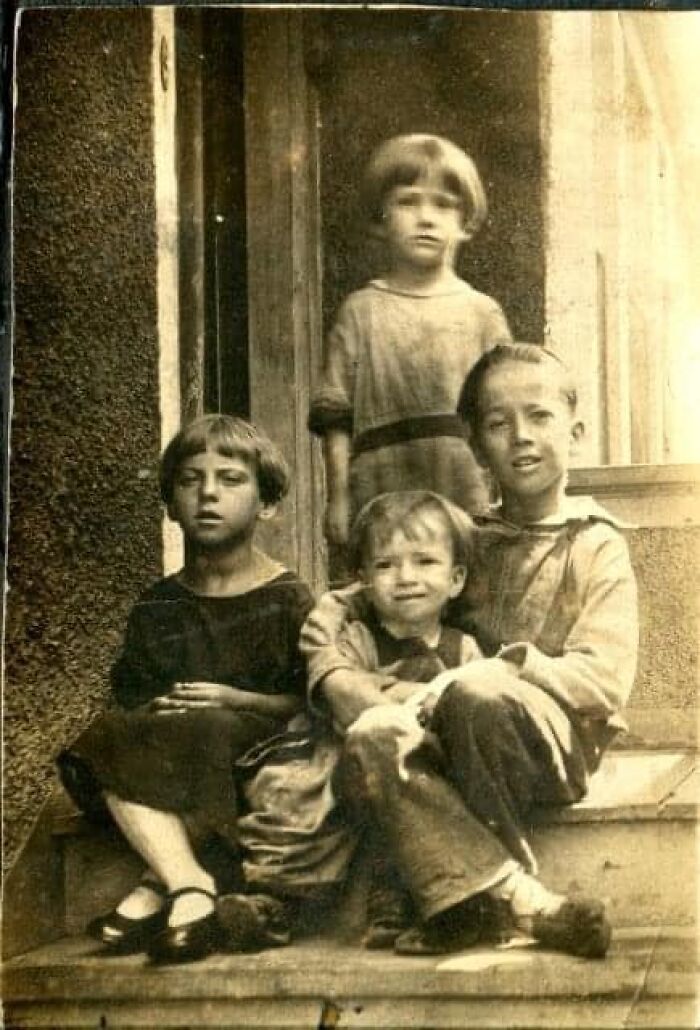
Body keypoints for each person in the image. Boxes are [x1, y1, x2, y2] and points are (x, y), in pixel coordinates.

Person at [302, 343, 639, 959]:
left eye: (539, 416)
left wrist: (507, 665)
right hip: (453, 733)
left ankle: (446, 892)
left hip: (553, 743)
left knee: (475, 693)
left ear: (576, 432)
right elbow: (352, 599)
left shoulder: (594, 544)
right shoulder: (469, 538)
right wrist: (328, 668)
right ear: (479, 448)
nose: (521, 437)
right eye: (498, 423)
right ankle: (519, 902)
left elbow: (603, 681)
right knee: (374, 733)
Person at [57, 415, 314, 965]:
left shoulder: (288, 598)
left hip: (257, 753)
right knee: (105, 738)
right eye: (190, 480)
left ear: (267, 504)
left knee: (209, 727)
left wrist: (232, 699)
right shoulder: (158, 605)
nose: (208, 494)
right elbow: (135, 699)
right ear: (171, 505)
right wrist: (157, 709)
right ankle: (186, 882)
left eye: (230, 479)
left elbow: (308, 705)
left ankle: (159, 885)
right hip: (175, 757)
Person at [226, 490, 483, 952]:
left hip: (418, 770)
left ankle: (400, 903)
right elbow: (343, 697)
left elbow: (465, 706)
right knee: (298, 806)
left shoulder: (463, 648)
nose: (405, 578)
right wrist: (409, 695)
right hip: (346, 759)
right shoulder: (356, 638)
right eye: (386, 565)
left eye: (425, 562)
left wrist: (394, 694)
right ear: (363, 580)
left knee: (418, 799)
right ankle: (274, 905)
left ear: (456, 578)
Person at [309, 133, 511, 552]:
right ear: (380, 217)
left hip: (462, 488)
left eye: (443, 205)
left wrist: (505, 493)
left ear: (465, 222)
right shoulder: (361, 311)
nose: (426, 218)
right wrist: (338, 499)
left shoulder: (482, 313)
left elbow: (505, 412)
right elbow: (335, 418)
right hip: (379, 488)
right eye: (408, 201)